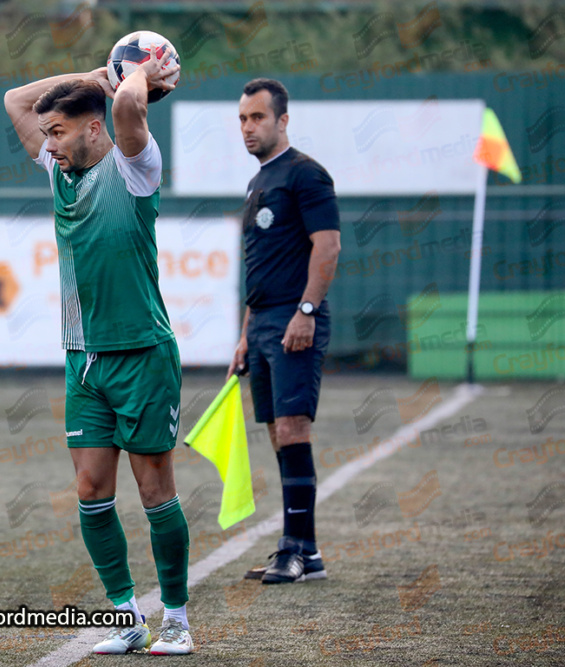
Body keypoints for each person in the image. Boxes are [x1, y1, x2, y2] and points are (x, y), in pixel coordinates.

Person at [3, 50, 193, 655]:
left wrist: (132, 73)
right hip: (82, 359)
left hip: (141, 354)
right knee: (90, 490)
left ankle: (178, 622)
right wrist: (91, 75)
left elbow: (132, 104)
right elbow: (14, 100)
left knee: (155, 490)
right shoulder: (59, 169)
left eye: (58, 133)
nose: (48, 144)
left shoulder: (137, 166)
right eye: (47, 135)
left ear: (94, 127)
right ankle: (126, 616)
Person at [227, 78, 341, 585]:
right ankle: (304, 550)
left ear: (283, 121)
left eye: (258, 118)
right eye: (244, 119)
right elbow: (261, 268)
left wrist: (307, 310)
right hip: (265, 322)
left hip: (298, 320)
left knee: (294, 429)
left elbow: (328, 246)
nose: (249, 128)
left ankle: (295, 549)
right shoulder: (257, 183)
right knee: (277, 433)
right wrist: (246, 334)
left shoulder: (307, 176)